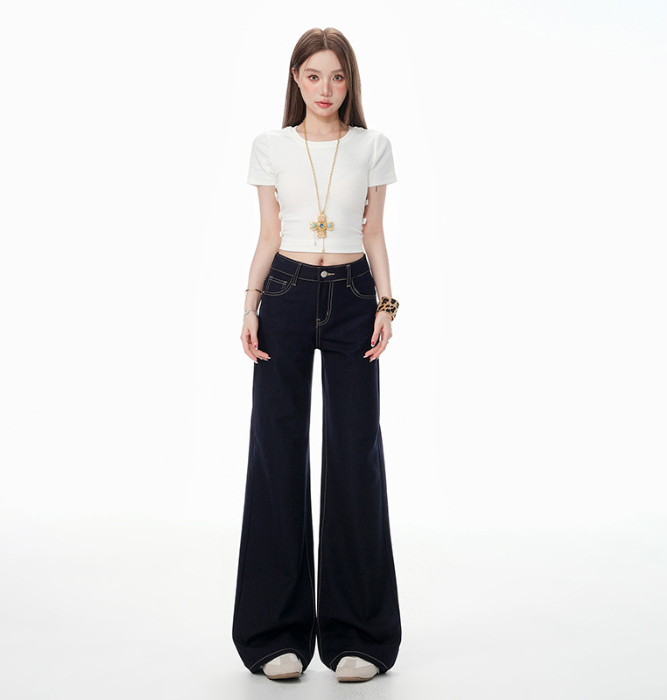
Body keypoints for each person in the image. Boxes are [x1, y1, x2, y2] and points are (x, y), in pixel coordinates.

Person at [232, 27, 402, 684]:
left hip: (355, 294)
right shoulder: (271, 146)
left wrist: (386, 305)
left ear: (349, 80)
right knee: (276, 451)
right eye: (313, 75)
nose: (325, 89)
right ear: (295, 79)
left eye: (336, 76)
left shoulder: (372, 145)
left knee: (355, 452)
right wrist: (250, 304)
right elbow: (268, 233)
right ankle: (274, 634)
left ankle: (359, 635)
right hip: (286, 293)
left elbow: (375, 232)